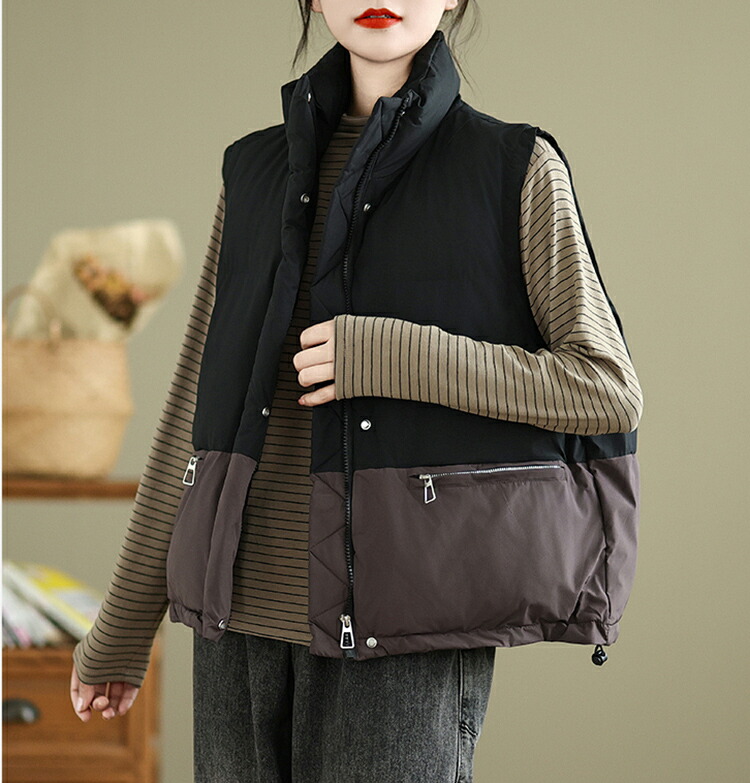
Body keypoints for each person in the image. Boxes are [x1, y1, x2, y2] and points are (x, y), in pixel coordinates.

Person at [70, 1, 643, 781]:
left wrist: (395, 354)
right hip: (231, 630)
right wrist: (124, 623)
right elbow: (192, 415)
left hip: (402, 634)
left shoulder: (513, 167)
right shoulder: (253, 170)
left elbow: (606, 388)